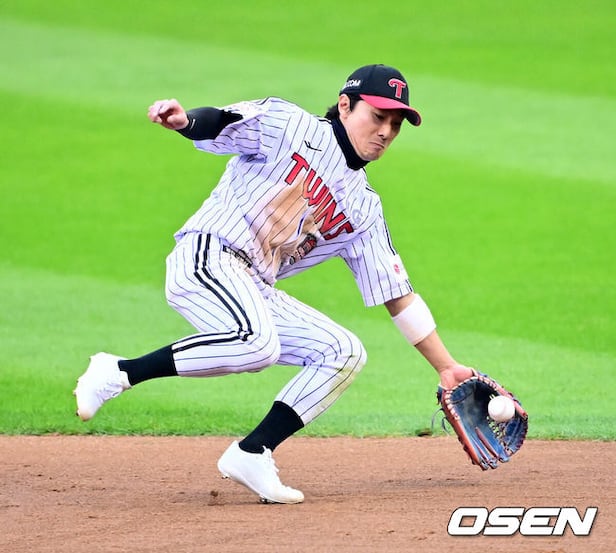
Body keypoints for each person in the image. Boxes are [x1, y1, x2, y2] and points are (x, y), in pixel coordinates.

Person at [74, 64, 474, 504]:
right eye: (378, 117)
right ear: (345, 105)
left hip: (253, 284)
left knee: (342, 352)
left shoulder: (363, 208)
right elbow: (222, 122)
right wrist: (185, 121)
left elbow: (396, 294)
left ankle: (253, 452)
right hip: (208, 253)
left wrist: (446, 367)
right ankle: (118, 372)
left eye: (395, 125)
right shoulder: (290, 126)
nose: (386, 132)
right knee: (257, 343)